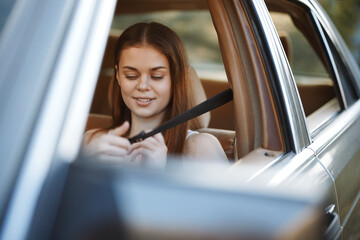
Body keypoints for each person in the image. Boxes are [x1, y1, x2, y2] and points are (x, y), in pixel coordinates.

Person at [83, 22, 227, 167]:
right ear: (118, 76)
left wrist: (159, 172)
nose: (143, 86)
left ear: (175, 79)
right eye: (131, 75)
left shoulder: (200, 148)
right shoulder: (93, 141)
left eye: (157, 76)